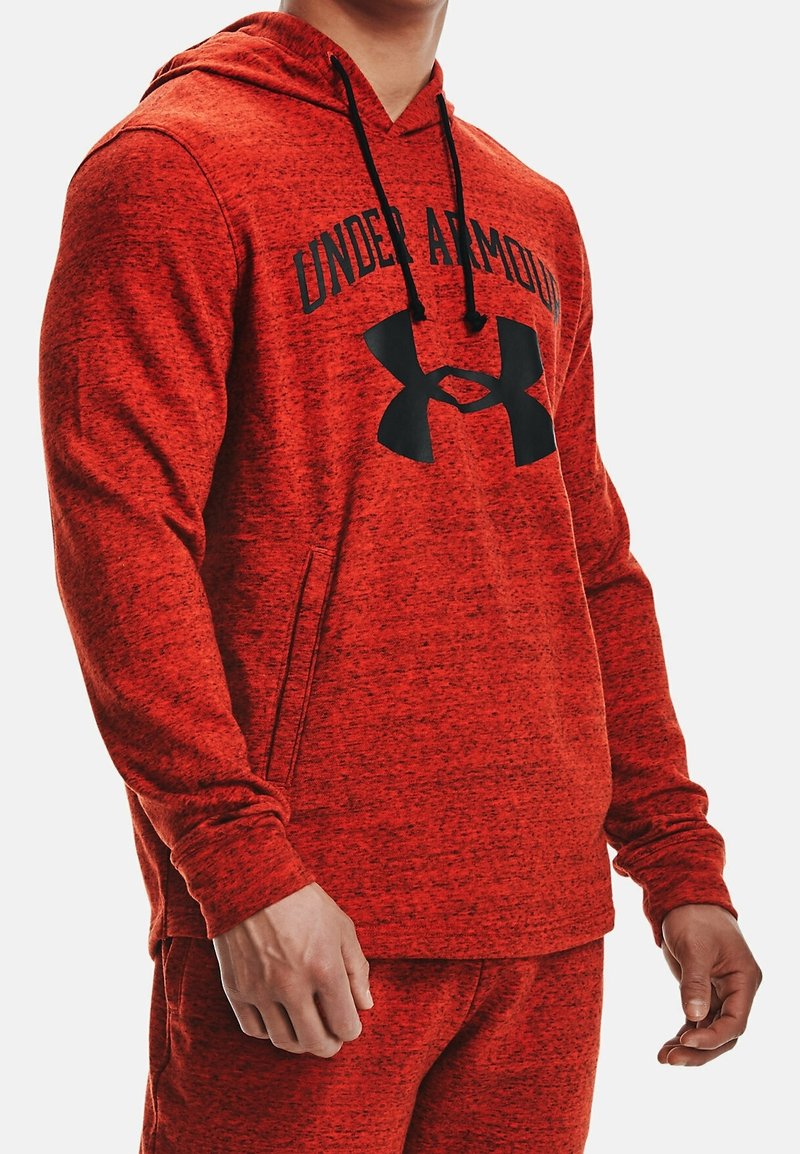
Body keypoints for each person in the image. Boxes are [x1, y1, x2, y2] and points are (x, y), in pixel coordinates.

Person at [38, 2, 762, 1151]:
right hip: (306, 917)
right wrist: (237, 864)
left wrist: (678, 862)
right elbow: (121, 531)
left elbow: (586, 557)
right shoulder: (173, 166)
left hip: (543, 923)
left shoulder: (530, 209)